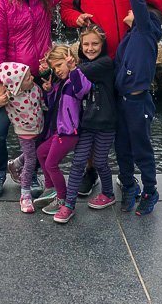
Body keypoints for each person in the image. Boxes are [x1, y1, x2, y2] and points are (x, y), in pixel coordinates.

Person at [60, 0, 162, 194]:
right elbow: (64, 10)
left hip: (130, 63)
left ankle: (127, 173)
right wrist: (77, 18)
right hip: (97, 63)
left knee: (129, 121)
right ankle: (88, 172)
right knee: (90, 121)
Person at [0, 0, 76, 199]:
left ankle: (28, 169)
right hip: (11, 78)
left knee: (38, 129)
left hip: (38, 76)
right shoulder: (2, 2)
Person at [114, 0, 162, 216]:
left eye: (137, 10)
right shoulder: (131, 37)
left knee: (141, 149)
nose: (131, 10)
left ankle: (150, 190)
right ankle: (129, 187)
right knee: (122, 146)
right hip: (122, 101)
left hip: (137, 101)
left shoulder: (145, 31)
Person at [58, 24, 116, 223]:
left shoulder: (105, 64)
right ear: (81, 46)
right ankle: (69, 205)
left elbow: (82, 72)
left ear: (102, 44)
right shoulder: (82, 65)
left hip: (106, 124)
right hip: (86, 124)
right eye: (86, 44)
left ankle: (108, 193)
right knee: (77, 163)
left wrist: (69, 67)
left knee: (100, 162)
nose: (90, 48)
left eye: (95, 43)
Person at [32, 46, 91, 223]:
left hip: (70, 133)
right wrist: (49, 90)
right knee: (41, 152)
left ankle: (62, 198)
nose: (57, 70)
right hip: (60, 131)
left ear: (70, 60)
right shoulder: (61, 84)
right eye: (55, 67)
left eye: (60, 65)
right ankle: (50, 187)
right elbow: (55, 106)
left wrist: (73, 69)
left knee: (51, 164)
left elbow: (83, 90)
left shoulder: (76, 78)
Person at [0, 63, 45, 213]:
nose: (32, 77)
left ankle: (14, 164)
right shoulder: (10, 96)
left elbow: (42, 103)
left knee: (36, 152)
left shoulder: (35, 88)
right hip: (24, 131)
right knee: (31, 159)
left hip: (39, 128)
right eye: (27, 78)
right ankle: (25, 195)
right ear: (18, 83)